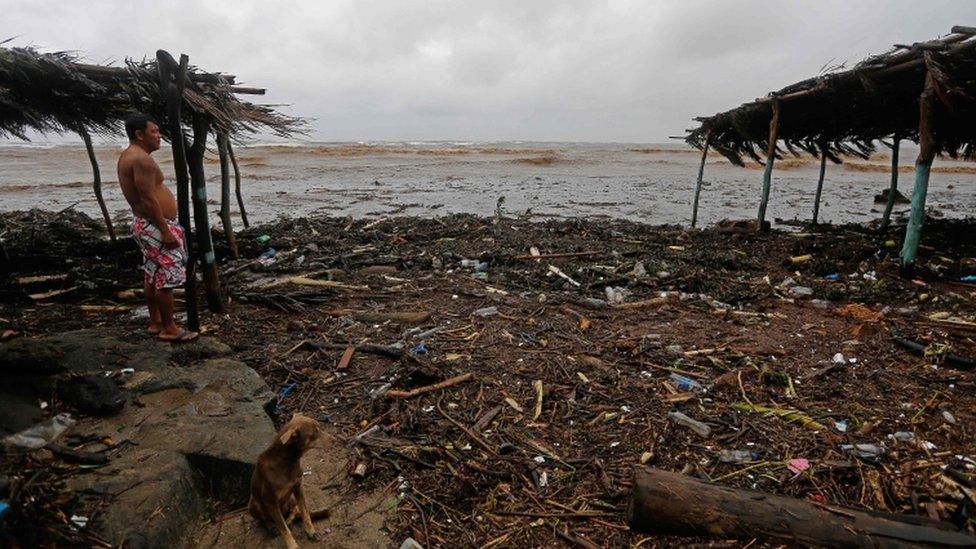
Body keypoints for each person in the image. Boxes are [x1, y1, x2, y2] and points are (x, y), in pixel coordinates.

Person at [117, 113, 198, 342]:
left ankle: (156, 322)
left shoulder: (130, 155)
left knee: (152, 274)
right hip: (155, 225)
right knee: (165, 277)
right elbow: (148, 199)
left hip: (146, 225)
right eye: (154, 131)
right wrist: (164, 230)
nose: (159, 136)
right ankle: (169, 328)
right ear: (139, 134)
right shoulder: (142, 160)